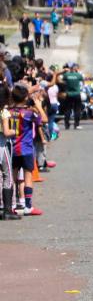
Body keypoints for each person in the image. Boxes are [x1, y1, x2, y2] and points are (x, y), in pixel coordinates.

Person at [6, 84, 45, 216]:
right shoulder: (30, 113)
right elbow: (43, 119)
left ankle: (12, 204)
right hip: (26, 149)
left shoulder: (8, 112)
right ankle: (27, 205)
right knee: (28, 177)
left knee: (12, 178)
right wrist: (38, 105)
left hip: (12, 148)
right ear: (25, 98)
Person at [0, 83, 20, 219]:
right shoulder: (4, 112)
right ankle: (7, 210)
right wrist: (15, 130)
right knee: (8, 176)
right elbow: (7, 132)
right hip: (2, 144)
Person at [60, 63, 83, 130]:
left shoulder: (66, 75)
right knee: (77, 110)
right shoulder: (78, 75)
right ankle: (76, 124)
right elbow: (81, 79)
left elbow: (63, 80)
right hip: (77, 94)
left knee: (67, 110)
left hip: (69, 94)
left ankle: (67, 124)